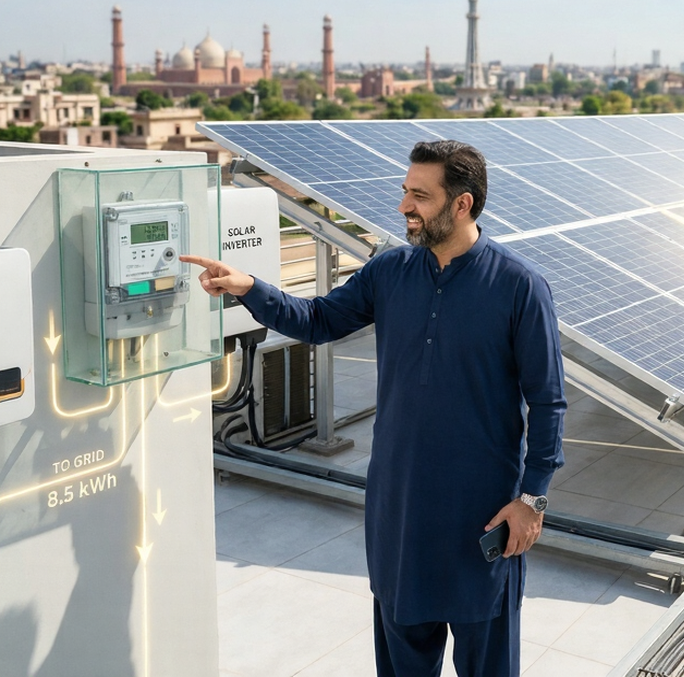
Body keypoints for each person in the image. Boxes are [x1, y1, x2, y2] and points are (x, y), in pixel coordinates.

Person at [183, 140, 566, 677]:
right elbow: (318, 319)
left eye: (420, 195)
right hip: (400, 514)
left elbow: (548, 401)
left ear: (462, 204)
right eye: (405, 191)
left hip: (484, 516)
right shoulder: (389, 272)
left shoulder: (519, 286)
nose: (404, 205)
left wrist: (532, 500)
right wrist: (250, 288)